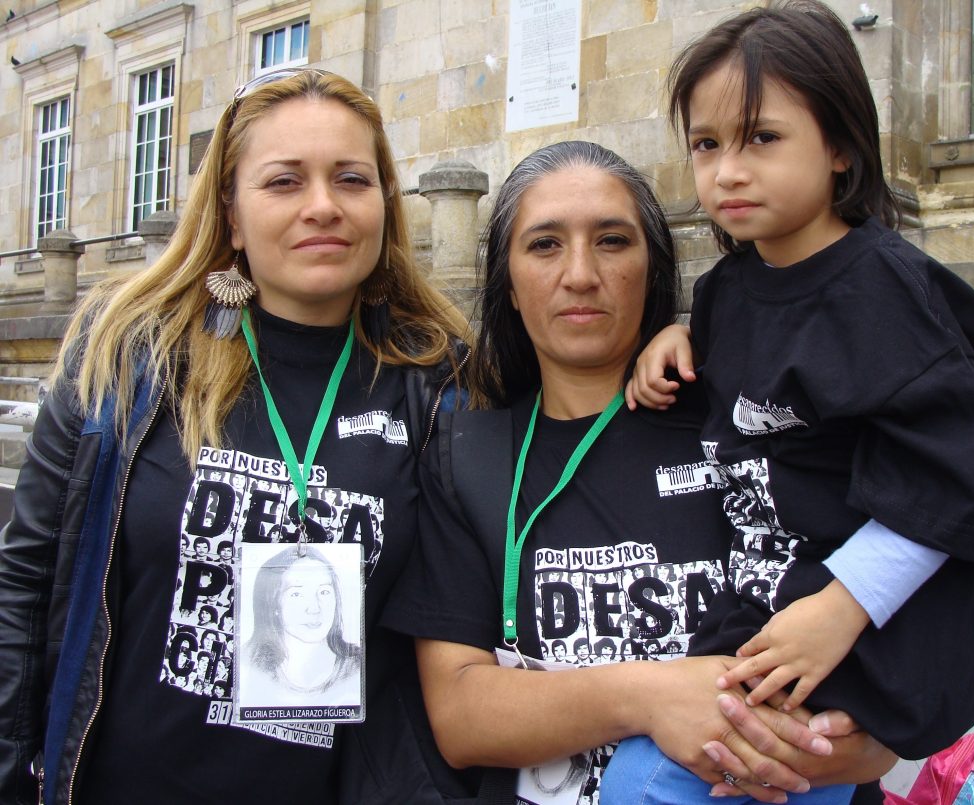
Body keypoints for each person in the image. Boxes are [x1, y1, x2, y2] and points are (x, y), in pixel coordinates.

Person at [0, 68, 478, 804]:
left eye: (351, 178)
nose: (323, 206)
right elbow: (23, 587)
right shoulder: (130, 356)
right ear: (229, 215)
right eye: (284, 182)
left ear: (384, 202)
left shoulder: (437, 381)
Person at [383, 140, 899, 805]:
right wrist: (651, 696)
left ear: (654, 267)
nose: (579, 274)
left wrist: (869, 738)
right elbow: (460, 713)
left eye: (612, 241)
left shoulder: (755, 423)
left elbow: (889, 608)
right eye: (544, 245)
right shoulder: (468, 455)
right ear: (507, 284)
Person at [612, 2, 974, 802]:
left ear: (839, 146)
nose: (727, 170)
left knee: (672, 779)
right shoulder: (730, 288)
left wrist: (842, 609)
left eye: (761, 138)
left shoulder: (885, 290)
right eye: (706, 143)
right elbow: (768, 364)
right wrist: (680, 337)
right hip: (779, 591)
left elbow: (950, 472)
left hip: (880, 610)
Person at [241, 545, 360, 708]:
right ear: (273, 603)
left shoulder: (356, 668)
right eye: (297, 594)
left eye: (324, 592)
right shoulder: (247, 664)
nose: (314, 608)